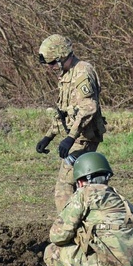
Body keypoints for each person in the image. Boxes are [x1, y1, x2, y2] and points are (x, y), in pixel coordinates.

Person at [34, 34, 107, 211]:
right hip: (76, 138)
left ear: (61, 57)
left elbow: (89, 108)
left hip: (83, 140)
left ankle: (66, 229)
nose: (50, 68)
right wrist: (48, 136)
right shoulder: (67, 75)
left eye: (52, 63)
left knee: (64, 188)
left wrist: (71, 138)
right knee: (79, 186)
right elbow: (66, 112)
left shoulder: (82, 72)